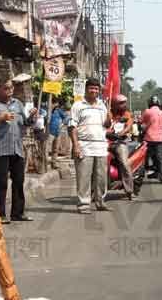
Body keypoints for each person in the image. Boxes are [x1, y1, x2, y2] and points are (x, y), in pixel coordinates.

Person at [0, 77, 37, 224]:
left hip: (17, 148)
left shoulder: (17, 104)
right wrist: (0, 118)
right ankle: (0, 214)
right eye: (6, 88)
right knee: (1, 182)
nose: (10, 91)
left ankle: (18, 213)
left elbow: (25, 123)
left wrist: (32, 116)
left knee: (19, 181)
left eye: (11, 88)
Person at [70, 78, 111, 214]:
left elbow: (106, 125)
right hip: (84, 146)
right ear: (86, 89)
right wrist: (76, 146)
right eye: (91, 88)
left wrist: (109, 119)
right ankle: (83, 205)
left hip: (100, 147)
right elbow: (72, 127)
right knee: (84, 178)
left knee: (101, 178)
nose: (94, 91)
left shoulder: (102, 105)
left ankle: (100, 202)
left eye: (96, 89)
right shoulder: (78, 105)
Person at [107, 94, 135, 200]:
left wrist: (121, 133)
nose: (123, 105)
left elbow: (128, 126)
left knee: (124, 163)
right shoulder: (108, 114)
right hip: (106, 142)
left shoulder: (127, 114)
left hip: (120, 142)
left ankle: (129, 191)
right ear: (114, 104)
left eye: (124, 103)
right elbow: (105, 125)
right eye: (121, 103)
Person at [141, 96, 162, 184]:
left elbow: (142, 124)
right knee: (160, 159)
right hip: (160, 139)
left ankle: (140, 177)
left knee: (143, 158)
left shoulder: (147, 111)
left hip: (148, 138)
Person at [48, 98, 67, 164]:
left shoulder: (58, 111)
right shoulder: (48, 111)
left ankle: (54, 162)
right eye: (54, 103)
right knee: (47, 148)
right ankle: (45, 162)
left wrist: (62, 124)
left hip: (57, 132)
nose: (55, 105)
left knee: (55, 149)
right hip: (49, 132)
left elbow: (66, 118)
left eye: (56, 103)